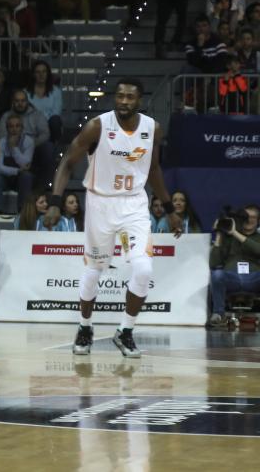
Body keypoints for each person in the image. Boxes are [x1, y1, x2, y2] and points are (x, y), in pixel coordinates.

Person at [44, 78, 183, 358]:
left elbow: (153, 169)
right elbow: (68, 162)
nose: (123, 101)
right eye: (119, 96)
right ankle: (85, 327)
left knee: (143, 269)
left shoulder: (152, 129)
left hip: (134, 203)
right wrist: (55, 203)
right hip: (100, 203)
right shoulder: (98, 125)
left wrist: (170, 210)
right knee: (94, 270)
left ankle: (126, 331)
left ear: (139, 101)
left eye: (130, 97)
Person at [209, 205, 260, 325]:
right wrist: (219, 234)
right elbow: (214, 263)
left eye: (253, 217)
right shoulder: (228, 238)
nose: (248, 220)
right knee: (217, 274)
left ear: (258, 221)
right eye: (246, 217)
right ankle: (218, 314)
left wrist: (235, 233)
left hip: (254, 278)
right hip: (232, 277)